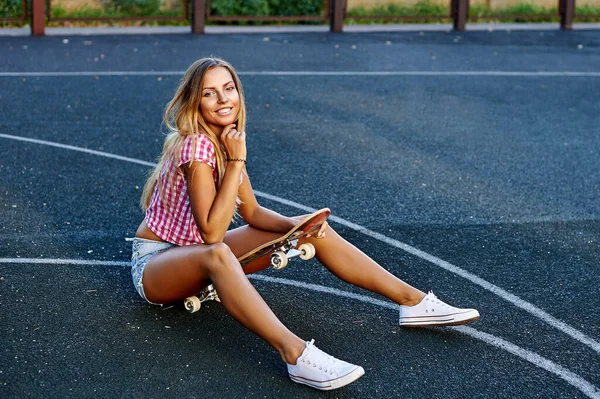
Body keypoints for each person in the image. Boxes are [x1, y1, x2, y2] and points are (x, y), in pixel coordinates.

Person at [131, 57, 480, 391]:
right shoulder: (197, 149)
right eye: (210, 93)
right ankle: (296, 355)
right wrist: (237, 161)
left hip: (196, 256)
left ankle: (413, 302)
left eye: (229, 88)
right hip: (158, 266)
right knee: (218, 254)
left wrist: (294, 227)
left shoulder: (226, 139)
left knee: (315, 229)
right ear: (196, 102)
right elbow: (211, 234)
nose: (223, 99)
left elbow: (251, 212)